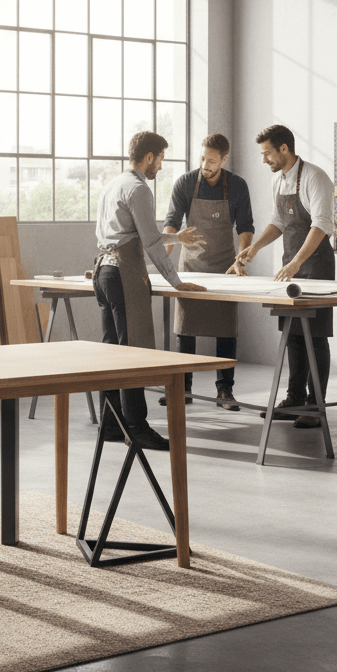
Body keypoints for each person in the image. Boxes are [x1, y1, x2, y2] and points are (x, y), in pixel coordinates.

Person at [93, 131, 207, 450]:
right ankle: (137, 426)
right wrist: (177, 281)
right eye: (160, 159)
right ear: (148, 158)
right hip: (123, 274)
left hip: (104, 272)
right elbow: (150, 242)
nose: (160, 166)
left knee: (113, 350)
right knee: (133, 351)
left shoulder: (114, 184)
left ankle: (111, 425)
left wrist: (177, 238)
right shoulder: (139, 188)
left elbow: (137, 233)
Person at [236, 125, 334, 428]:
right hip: (290, 265)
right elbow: (278, 221)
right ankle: (294, 398)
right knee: (292, 333)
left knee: (315, 336)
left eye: (267, 153)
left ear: (283, 149)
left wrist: (295, 263)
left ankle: (316, 404)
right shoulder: (277, 180)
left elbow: (321, 225)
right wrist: (254, 248)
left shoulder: (315, 177)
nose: (264, 159)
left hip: (315, 265)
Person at [161, 133, 254, 410]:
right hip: (190, 267)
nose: (205, 164)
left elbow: (246, 226)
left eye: (212, 160)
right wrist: (163, 260)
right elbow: (171, 223)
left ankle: (224, 391)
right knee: (185, 329)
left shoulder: (237, 186)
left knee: (226, 329)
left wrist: (241, 259)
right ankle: (183, 388)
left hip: (225, 267)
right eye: (202, 158)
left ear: (224, 160)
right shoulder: (186, 183)